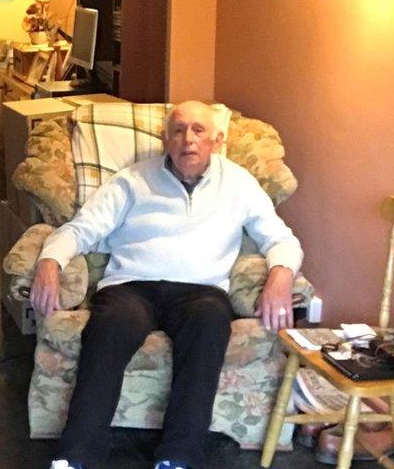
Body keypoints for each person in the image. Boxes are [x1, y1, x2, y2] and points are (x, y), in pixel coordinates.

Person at [32, 101, 303, 469]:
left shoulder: (240, 184)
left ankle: (178, 457)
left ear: (217, 140)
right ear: (165, 138)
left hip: (200, 292)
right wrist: (50, 261)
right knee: (108, 327)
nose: (187, 140)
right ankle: (74, 456)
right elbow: (83, 228)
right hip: (132, 287)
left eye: (198, 130)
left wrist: (281, 275)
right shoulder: (132, 180)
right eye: (177, 130)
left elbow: (280, 239)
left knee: (209, 325)